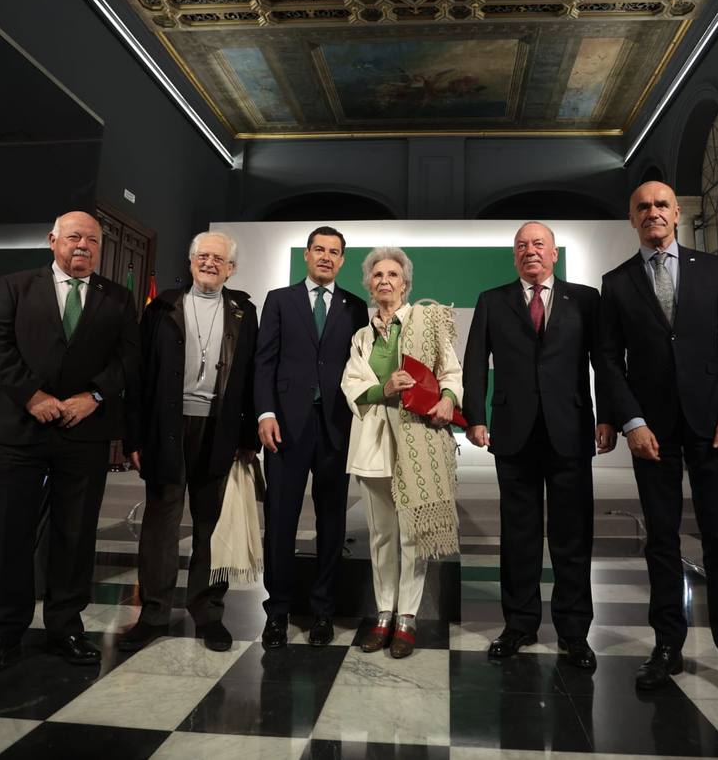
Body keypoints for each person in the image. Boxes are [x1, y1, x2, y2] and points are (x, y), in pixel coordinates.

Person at [598, 180, 718, 710]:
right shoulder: (617, 282)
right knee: (661, 542)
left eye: (661, 205)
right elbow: (608, 362)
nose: (653, 212)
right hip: (653, 433)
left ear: (676, 214)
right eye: (643, 206)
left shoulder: (712, 269)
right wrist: (631, 422)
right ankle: (667, 645)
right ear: (632, 219)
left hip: (713, 426)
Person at [0, 210, 139, 676]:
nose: (83, 245)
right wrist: (32, 396)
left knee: (75, 533)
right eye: (74, 237)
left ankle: (65, 625)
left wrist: (95, 396)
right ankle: (4, 631)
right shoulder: (14, 286)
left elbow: (129, 358)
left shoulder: (118, 298)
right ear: (53, 241)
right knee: (8, 533)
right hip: (17, 432)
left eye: (92, 240)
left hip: (83, 431)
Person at [462, 221, 616, 671]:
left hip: (570, 431)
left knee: (572, 537)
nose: (530, 251)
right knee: (519, 535)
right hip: (513, 433)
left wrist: (606, 416)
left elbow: (604, 363)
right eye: (522, 246)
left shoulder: (586, 300)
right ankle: (520, 625)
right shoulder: (492, 300)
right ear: (514, 256)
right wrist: (475, 417)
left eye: (538, 244)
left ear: (554, 254)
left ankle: (573, 632)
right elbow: (475, 363)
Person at [119, 231, 259, 654]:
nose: (210, 263)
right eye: (202, 256)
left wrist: (248, 437)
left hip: (220, 431)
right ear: (191, 261)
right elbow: (138, 376)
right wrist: (134, 436)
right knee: (161, 522)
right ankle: (154, 612)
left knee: (213, 525)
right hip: (166, 427)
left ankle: (209, 613)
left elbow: (250, 377)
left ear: (231, 268)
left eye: (219, 258)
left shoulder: (244, 312)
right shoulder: (162, 308)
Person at [341, 248, 462, 659]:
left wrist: (448, 398)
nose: (385, 281)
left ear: (406, 284)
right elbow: (352, 385)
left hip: (419, 437)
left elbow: (452, 371)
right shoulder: (362, 337)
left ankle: (407, 618)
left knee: (413, 533)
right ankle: (383, 615)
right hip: (375, 441)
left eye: (393, 274)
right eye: (377, 275)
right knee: (381, 534)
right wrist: (384, 389)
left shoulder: (428, 323)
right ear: (369, 284)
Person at [254, 226, 369, 647]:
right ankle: (277, 613)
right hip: (284, 425)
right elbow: (263, 361)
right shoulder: (279, 301)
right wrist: (265, 412)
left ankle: (323, 612)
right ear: (306, 255)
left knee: (332, 523)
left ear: (342, 261)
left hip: (337, 427)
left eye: (334, 252)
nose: (325, 257)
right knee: (281, 520)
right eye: (318, 249)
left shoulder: (356, 307)